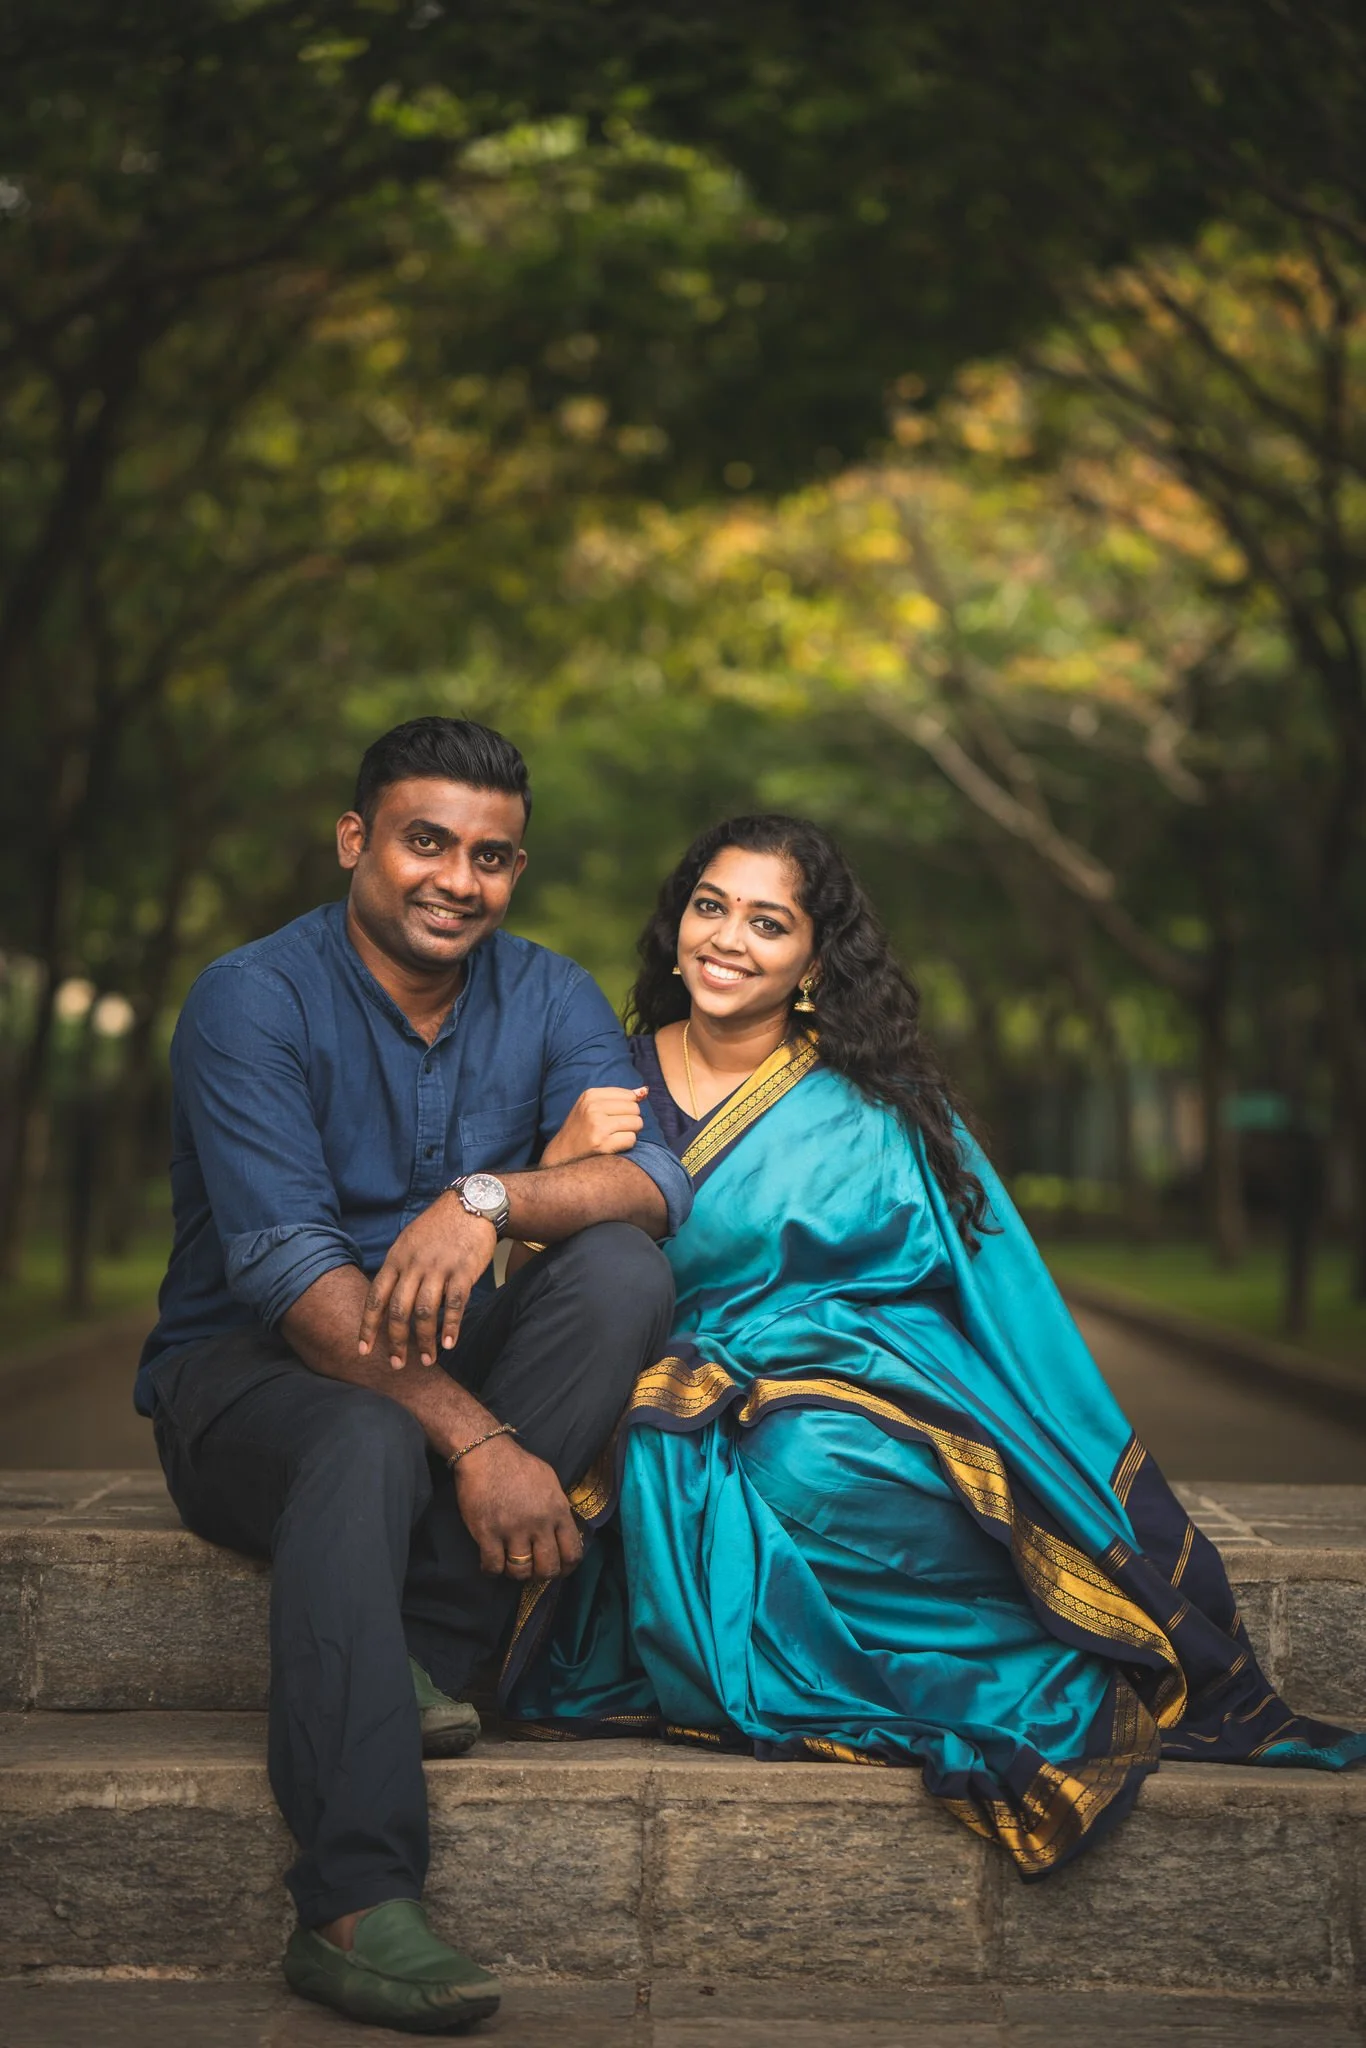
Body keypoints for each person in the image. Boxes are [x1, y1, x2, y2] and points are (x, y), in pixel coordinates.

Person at [505, 813, 1366, 1879]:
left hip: (856, 1384)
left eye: (767, 922)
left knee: (817, 1457)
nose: (728, 939)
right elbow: (525, 1296)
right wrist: (557, 1157)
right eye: (710, 906)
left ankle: (999, 1654)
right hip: (654, 1403)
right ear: (677, 921)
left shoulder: (877, 1102)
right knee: (668, 1455)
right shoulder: (604, 1082)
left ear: (813, 958)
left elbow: (996, 1291)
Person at [138, 717, 690, 2031]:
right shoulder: (250, 1000)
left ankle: (422, 1651)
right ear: (356, 841)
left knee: (620, 1274)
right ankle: (348, 1899)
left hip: (448, 1348)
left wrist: (489, 1195)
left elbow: (653, 1183)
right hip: (247, 1382)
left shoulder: (548, 994)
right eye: (425, 842)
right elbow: (293, 1284)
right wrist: (479, 1443)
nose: (458, 879)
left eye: (491, 857)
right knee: (367, 1440)